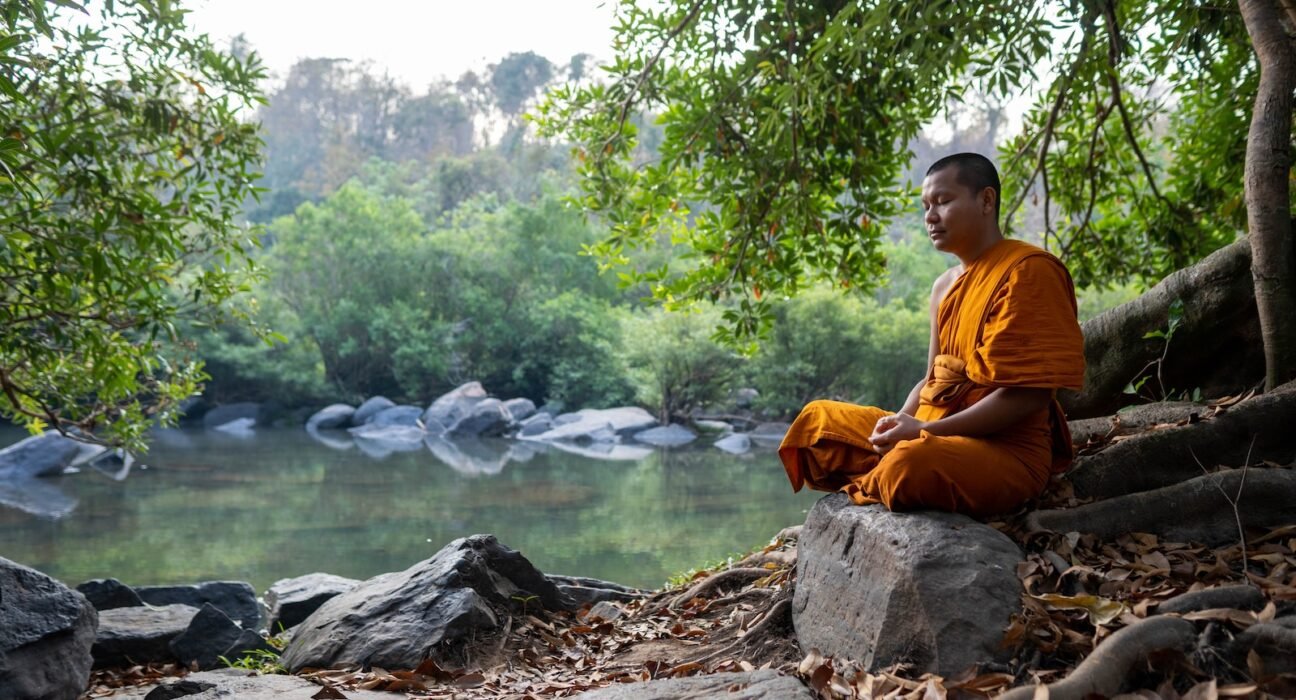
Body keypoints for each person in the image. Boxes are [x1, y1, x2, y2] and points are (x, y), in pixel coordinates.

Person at [777, 153, 1085, 518]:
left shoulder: (1029, 271)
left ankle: (888, 472)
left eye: (943, 201)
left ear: (986, 200)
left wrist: (926, 430)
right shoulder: (943, 287)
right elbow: (931, 379)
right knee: (817, 423)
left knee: (911, 463)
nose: (930, 217)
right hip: (930, 427)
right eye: (926, 206)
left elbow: (1029, 396)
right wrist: (899, 423)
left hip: (1002, 449)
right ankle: (887, 468)